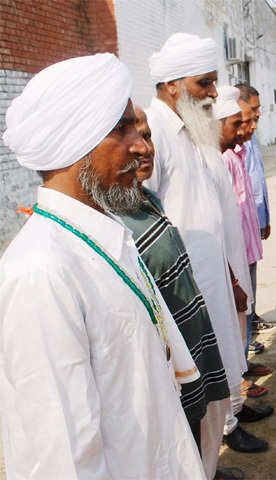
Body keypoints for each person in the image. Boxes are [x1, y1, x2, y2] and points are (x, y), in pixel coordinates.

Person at [0, 53, 206, 479]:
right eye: (121, 130)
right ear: (75, 143)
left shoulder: (105, 233)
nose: (143, 145)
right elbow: (62, 458)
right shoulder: (40, 271)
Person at [145, 33, 265, 459]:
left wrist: (230, 272)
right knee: (191, 395)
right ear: (173, 84)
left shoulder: (191, 129)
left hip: (211, 283)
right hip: (181, 297)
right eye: (205, 83)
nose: (215, 92)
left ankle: (210, 465)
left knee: (215, 386)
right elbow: (147, 225)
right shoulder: (153, 132)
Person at [119, 107, 246, 480]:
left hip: (193, 348)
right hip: (167, 364)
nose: (145, 149)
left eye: (147, 137)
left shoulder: (151, 201)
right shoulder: (115, 224)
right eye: (131, 136)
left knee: (200, 427)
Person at [212, 86, 273, 453]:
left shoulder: (231, 155)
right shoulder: (215, 161)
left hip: (238, 258)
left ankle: (237, 409)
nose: (245, 129)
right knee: (228, 344)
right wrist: (232, 277)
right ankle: (228, 425)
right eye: (238, 123)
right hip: (224, 273)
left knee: (237, 345)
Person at [221, 86, 274, 376]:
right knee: (238, 311)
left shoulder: (242, 149)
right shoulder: (225, 158)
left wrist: (264, 219)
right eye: (244, 119)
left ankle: (243, 365)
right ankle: (238, 375)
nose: (251, 124)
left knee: (247, 307)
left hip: (248, 242)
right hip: (234, 248)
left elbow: (256, 188)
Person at [234, 83, 276, 337]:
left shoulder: (251, 140)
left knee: (251, 286)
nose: (258, 114)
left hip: (254, 224)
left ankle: (250, 331)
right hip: (241, 231)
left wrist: (265, 218)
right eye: (254, 108)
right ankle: (245, 343)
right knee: (243, 289)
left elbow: (258, 183)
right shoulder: (233, 148)